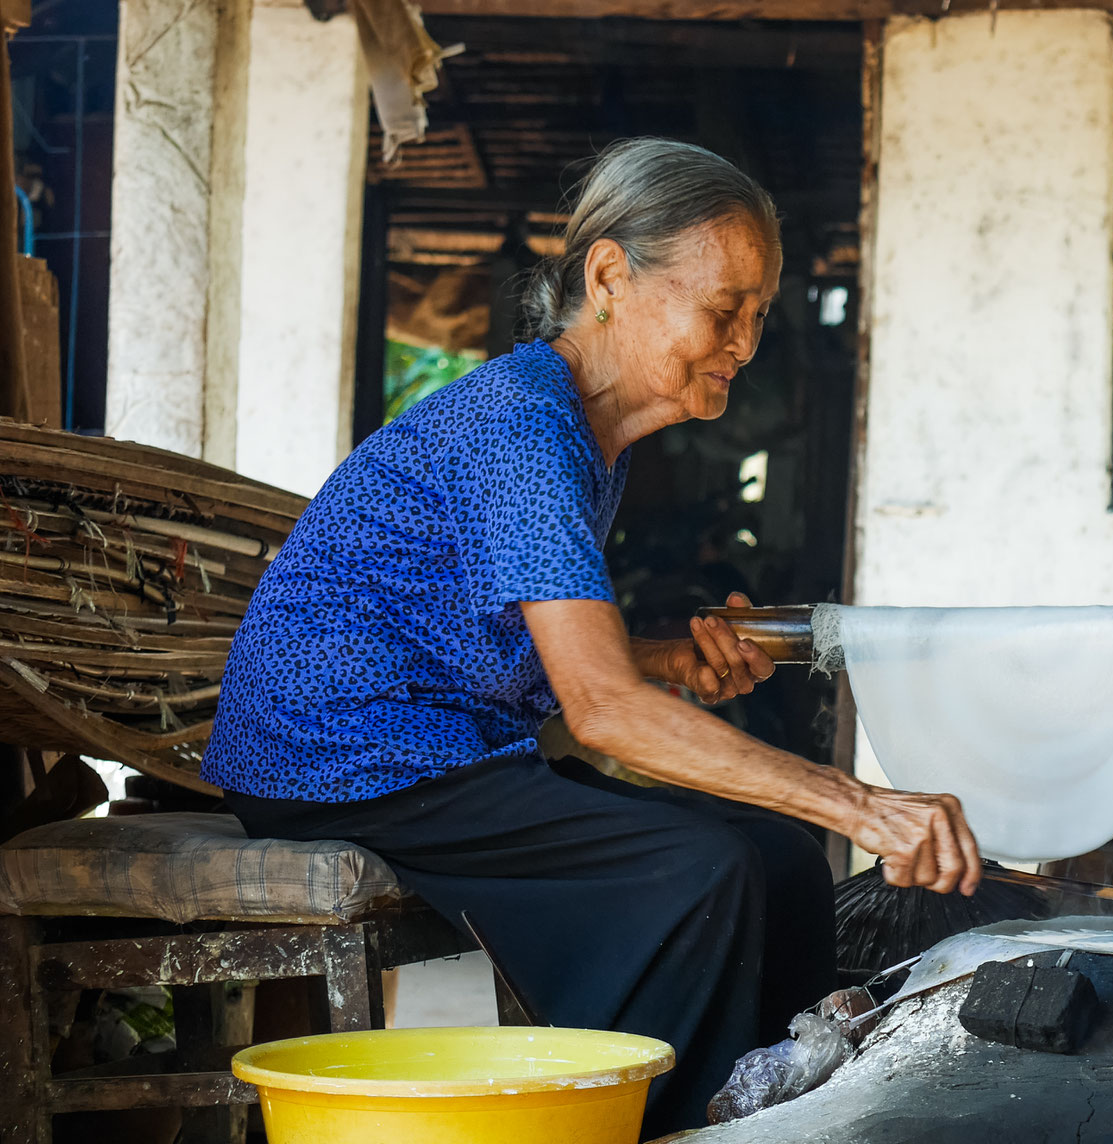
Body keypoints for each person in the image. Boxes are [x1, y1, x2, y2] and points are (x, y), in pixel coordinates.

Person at [201, 138, 981, 1133]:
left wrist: (662, 659)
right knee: (699, 873)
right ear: (610, 275)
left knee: (781, 857)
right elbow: (601, 711)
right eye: (721, 308)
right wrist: (866, 807)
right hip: (341, 760)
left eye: (755, 315)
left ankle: (763, 1114)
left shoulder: (582, 436)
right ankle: (648, 1119)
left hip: (437, 752)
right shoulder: (525, 428)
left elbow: (517, 643)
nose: (743, 343)